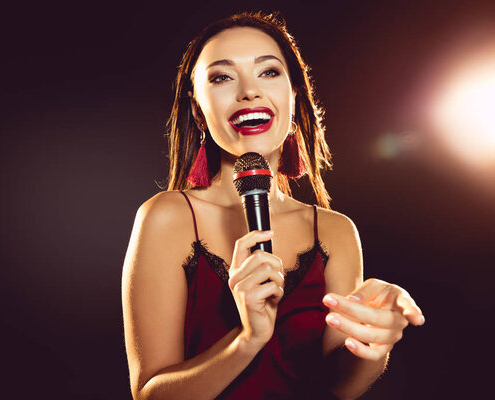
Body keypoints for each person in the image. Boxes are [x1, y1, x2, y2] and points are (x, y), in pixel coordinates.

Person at [122, 11, 424, 400]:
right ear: (198, 110)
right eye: (221, 77)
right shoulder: (167, 217)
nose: (249, 91)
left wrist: (374, 342)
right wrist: (247, 340)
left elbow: (338, 390)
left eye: (268, 72)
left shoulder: (335, 231)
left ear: (294, 96)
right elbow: (150, 393)